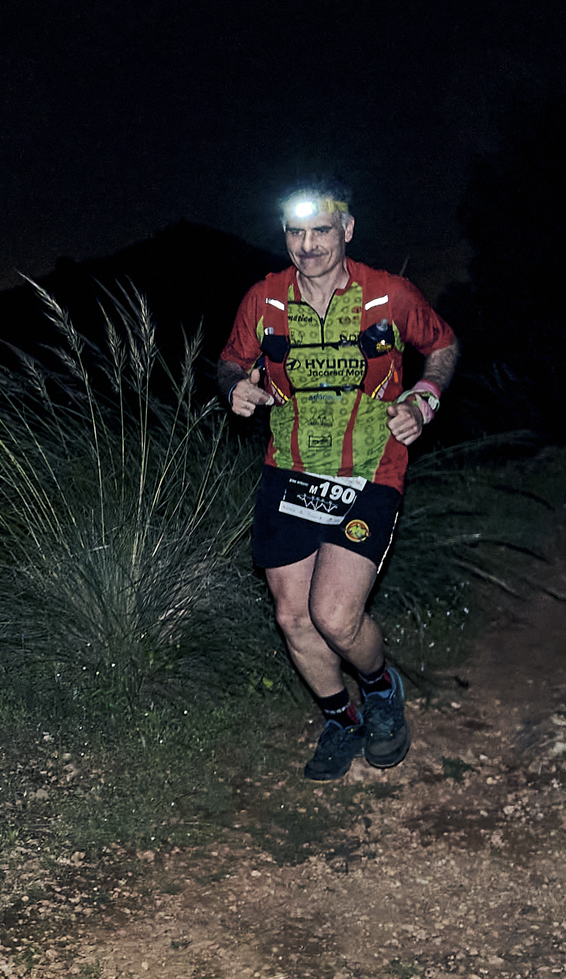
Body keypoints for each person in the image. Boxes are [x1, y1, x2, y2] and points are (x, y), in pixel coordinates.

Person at [218, 181, 459, 780]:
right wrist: (237, 387)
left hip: (370, 471)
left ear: (347, 230)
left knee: (334, 615)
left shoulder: (389, 294)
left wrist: (425, 398)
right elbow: (230, 361)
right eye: (296, 233)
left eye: (321, 231)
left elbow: (444, 345)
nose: (308, 246)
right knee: (292, 618)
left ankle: (379, 688)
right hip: (290, 472)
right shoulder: (265, 299)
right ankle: (340, 719)